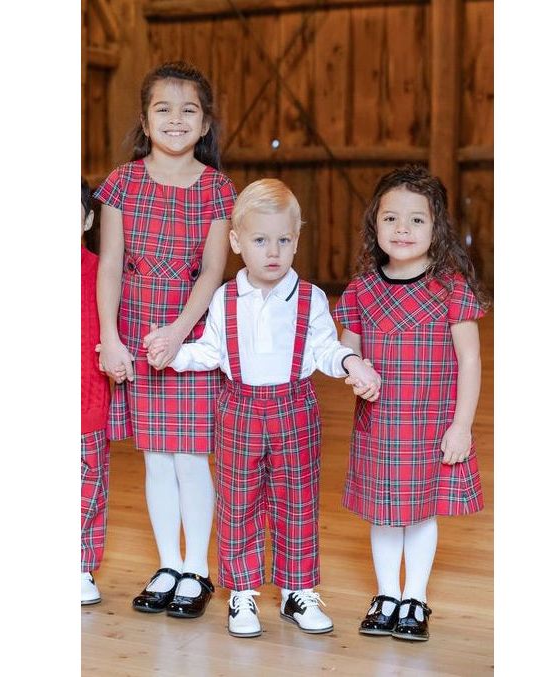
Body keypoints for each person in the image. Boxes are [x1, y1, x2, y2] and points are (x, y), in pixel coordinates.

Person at [169, 178, 381, 638]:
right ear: (236, 241)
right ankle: (242, 592)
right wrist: (174, 354)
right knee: (238, 502)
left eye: (284, 240)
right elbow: (210, 352)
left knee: (297, 502)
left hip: (295, 409)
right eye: (261, 240)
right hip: (240, 409)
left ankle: (296, 589)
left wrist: (351, 362)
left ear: (297, 240)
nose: (273, 251)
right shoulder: (226, 298)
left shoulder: (310, 298)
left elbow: (325, 349)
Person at [93, 61, 236, 618]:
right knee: (155, 457)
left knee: (191, 458)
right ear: (145, 119)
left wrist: (178, 333)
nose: (176, 119)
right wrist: (110, 337)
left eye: (189, 110)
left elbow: (211, 272)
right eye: (163, 109)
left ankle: (197, 569)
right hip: (134, 332)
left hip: (190, 334)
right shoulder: (121, 183)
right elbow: (109, 266)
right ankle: (167, 563)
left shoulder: (218, 189)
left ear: (204, 124)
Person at [333, 165, 491, 642]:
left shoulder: (451, 289)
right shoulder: (362, 288)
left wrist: (462, 426)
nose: (402, 229)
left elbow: (470, 359)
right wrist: (352, 369)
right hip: (379, 423)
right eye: (391, 218)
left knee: (421, 512)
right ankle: (386, 595)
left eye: (417, 220)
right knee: (385, 512)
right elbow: (345, 347)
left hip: (432, 424)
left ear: (436, 228)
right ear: (374, 225)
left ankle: (415, 597)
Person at [81, 178, 111, 605]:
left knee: (87, 489)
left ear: (87, 219)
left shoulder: (100, 271)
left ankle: (80, 566)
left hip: (86, 402)